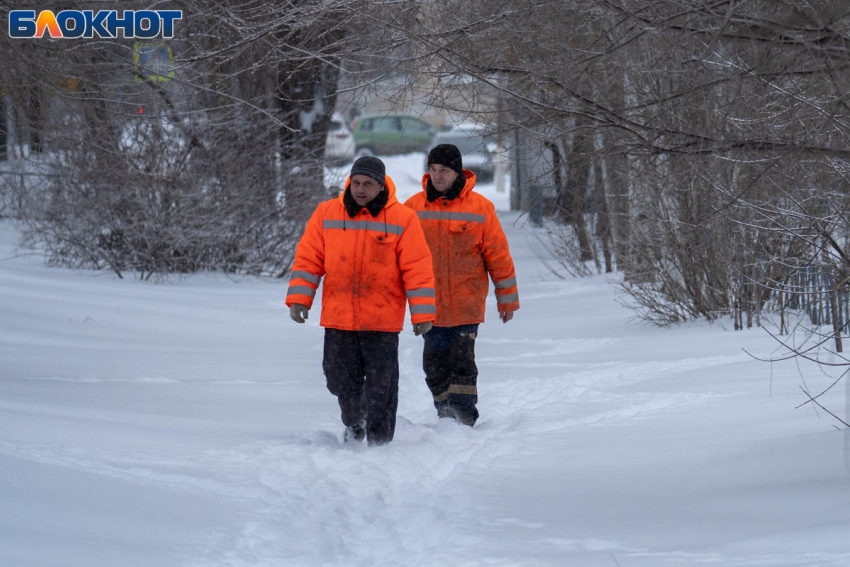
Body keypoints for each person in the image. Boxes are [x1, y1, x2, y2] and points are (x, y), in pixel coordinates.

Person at [286, 156, 436, 445]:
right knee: (338, 379)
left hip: (382, 320)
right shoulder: (327, 213)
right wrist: (299, 299)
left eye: (368, 184)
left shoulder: (402, 219)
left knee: (382, 386)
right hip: (339, 317)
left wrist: (423, 314)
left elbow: (417, 270)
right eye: (356, 182)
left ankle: (380, 443)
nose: (360, 189)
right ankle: (355, 421)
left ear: (381, 186)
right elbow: (308, 260)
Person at [404, 144, 519, 426]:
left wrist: (507, 300)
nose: (438, 175)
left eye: (444, 170)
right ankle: (444, 411)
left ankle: (465, 417)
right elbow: (398, 256)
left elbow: (499, 256)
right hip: (429, 305)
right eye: (433, 169)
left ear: (458, 172)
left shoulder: (480, 208)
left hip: (467, 303)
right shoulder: (412, 208)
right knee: (434, 365)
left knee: (463, 364)